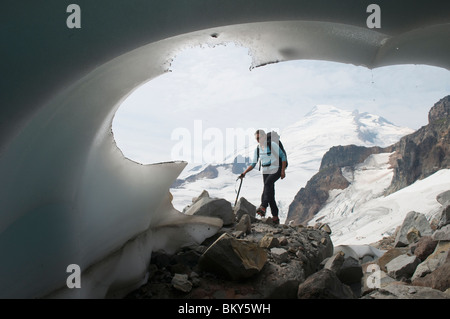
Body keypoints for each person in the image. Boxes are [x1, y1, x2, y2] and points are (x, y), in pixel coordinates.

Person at [239, 130, 287, 224]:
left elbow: (283, 157)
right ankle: (275, 217)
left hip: (276, 168)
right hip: (266, 171)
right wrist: (244, 173)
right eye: (257, 138)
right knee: (270, 193)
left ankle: (263, 206)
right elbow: (253, 163)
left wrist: (282, 171)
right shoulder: (258, 149)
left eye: (260, 138)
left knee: (267, 184)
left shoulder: (272, 145)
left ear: (264, 136)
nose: (258, 140)